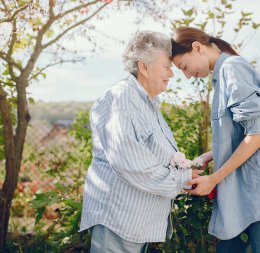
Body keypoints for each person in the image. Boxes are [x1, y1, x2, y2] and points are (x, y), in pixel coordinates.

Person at [171, 26, 260, 253]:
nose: (187, 75)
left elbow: (257, 135)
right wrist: (210, 156)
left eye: (184, 67)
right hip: (241, 195)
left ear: (197, 48)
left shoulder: (233, 69)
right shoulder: (221, 75)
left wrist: (214, 179)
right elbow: (241, 134)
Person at [79, 31, 201, 253]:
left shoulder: (146, 103)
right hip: (119, 222)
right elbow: (132, 164)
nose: (171, 74)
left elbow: (154, 155)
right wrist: (182, 179)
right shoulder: (123, 100)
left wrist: (190, 169)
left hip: (134, 223)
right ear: (144, 67)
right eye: (166, 66)